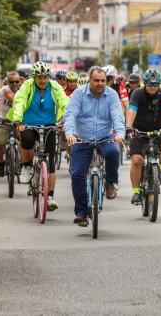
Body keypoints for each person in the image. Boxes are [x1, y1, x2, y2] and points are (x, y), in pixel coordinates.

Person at [64, 66, 125, 226]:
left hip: (105, 137)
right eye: (96, 80)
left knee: (113, 153)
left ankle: (110, 182)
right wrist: (69, 133)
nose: (100, 83)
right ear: (89, 80)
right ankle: (81, 213)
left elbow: (118, 115)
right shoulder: (79, 93)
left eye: (103, 80)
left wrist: (119, 133)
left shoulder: (112, 95)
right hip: (81, 138)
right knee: (77, 174)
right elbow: (70, 114)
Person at [7, 61, 69, 211]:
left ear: (49, 77)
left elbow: (64, 102)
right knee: (26, 139)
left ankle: (50, 198)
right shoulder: (27, 87)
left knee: (51, 162)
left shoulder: (55, 87)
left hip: (49, 125)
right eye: (39, 77)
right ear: (34, 77)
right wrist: (18, 119)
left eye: (45, 77)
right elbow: (19, 102)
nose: (42, 81)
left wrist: (69, 117)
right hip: (28, 123)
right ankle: (27, 166)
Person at [125, 69, 161, 205]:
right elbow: (131, 110)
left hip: (158, 131)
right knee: (137, 160)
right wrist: (129, 127)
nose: (153, 87)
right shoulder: (137, 93)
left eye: (156, 85)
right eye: (150, 84)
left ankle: (160, 168)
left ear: (159, 84)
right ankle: (136, 192)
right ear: (144, 83)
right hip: (139, 131)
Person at [0, 71, 21, 177]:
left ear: (19, 82)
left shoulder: (23, 90)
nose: (14, 84)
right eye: (11, 82)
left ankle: (22, 164)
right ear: (7, 82)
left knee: (25, 141)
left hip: (19, 120)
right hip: (5, 120)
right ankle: (1, 162)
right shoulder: (5, 89)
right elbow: (14, 101)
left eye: (16, 81)